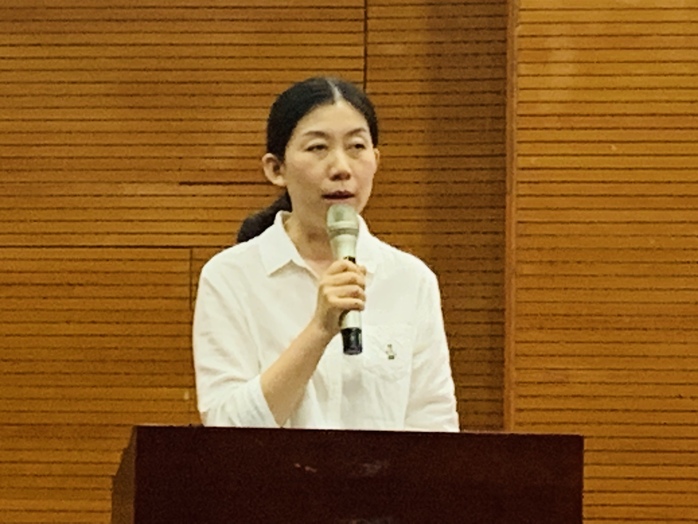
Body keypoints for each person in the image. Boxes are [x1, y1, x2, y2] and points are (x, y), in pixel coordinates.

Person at [193, 76, 459, 431]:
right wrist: (319, 330)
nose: (341, 168)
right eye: (318, 148)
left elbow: (435, 431)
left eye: (357, 146)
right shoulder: (231, 277)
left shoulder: (411, 281)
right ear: (276, 169)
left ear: (376, 160)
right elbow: (225, 429)